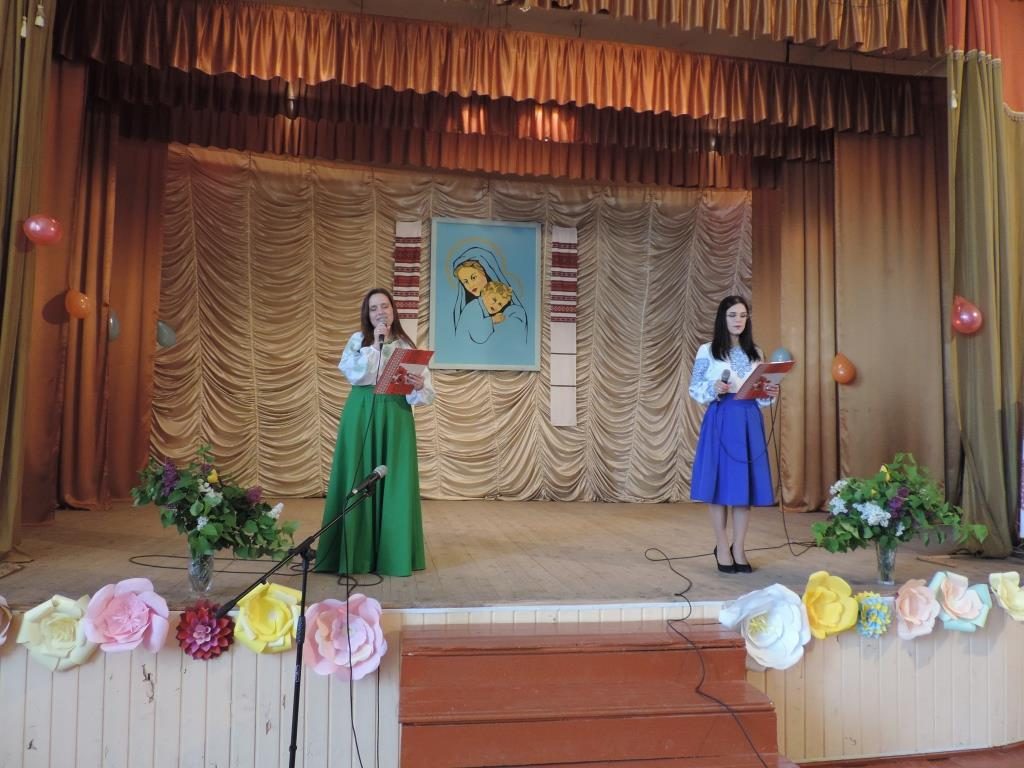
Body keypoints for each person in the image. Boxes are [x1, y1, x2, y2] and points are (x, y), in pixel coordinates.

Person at [314, 288, 434, 577]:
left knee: (395, 482)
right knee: (357, 476)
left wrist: (419, 386)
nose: (380, 312)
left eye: (385, 306)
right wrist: (377, 348)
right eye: (374, 308)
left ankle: (393, 555)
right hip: (361, 412)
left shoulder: (406, 345)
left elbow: (425, 394)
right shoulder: (359, 341)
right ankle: (355, 554)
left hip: (396, 416)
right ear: (367, 315)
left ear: (393, 310)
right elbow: (355, 374)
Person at [688, 296, 779, 574]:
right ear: (722, 318)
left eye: (742, 315)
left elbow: (761, 397)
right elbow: (695, 388)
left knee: (743, 487)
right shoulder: (707, 351)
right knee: (719, 486)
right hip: (721, 416)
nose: (738, 320)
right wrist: (714, 388)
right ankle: (722, 546)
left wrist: (770, 392)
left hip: (748, 419)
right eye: (732, 315)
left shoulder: (755, 353)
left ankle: (739, 547)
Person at [451, 245, 529, 345]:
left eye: (473, 277)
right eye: (465, 282)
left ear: (485, 271)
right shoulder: (471, 308)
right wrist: (492, 321)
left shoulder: (514, 311)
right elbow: (473, 337)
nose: (471, 285)